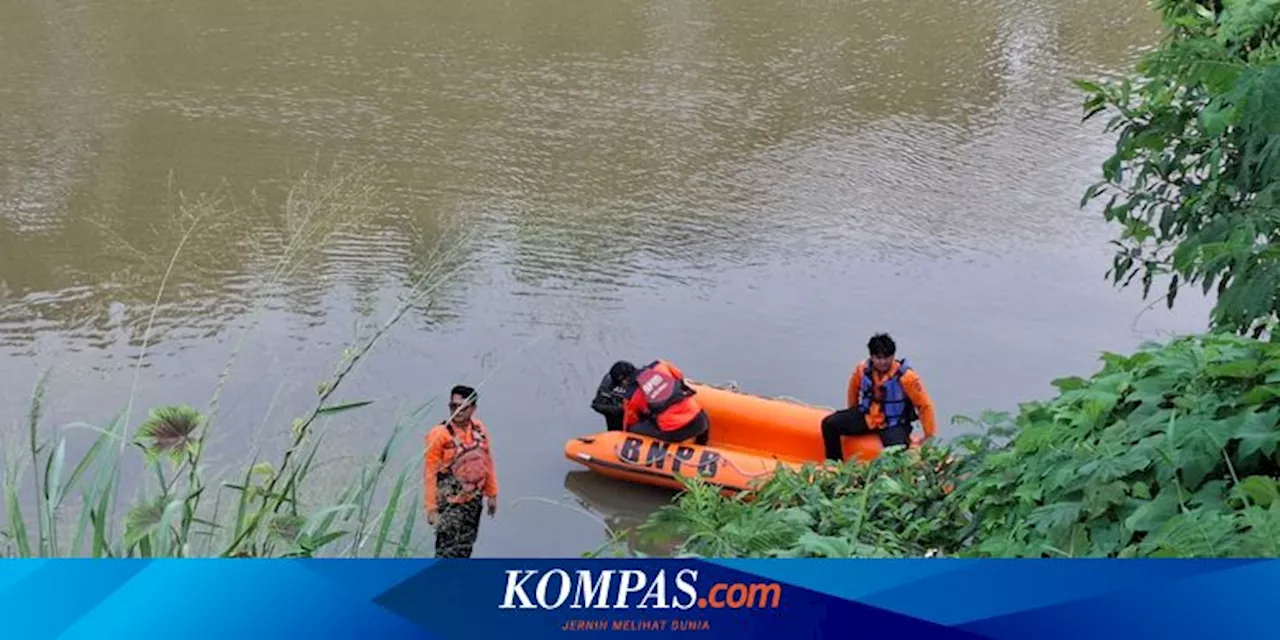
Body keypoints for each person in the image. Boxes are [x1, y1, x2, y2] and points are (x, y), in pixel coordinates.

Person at [820, 333, 937, 461]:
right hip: (868, 416)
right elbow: (853, 391)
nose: (883, 362)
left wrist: (928, 435)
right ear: (872, 357)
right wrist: (853, 412)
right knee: (829, 424)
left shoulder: (907, 378)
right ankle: (834, 464)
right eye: (878, 358)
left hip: (894, 424)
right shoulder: (862, 370)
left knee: (897, 455)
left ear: (893, 356)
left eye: (887, 357)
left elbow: (924, 405)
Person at [424, 385, 498, 558]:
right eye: (453, 406)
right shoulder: (439, 435)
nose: (457, 411)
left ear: (473, 409)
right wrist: (432, 509)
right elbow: (429, 474)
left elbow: (487, 461)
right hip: (449, 505)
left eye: (462, 408)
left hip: (473, 502)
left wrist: (492, 494)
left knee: (466, 546)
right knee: (446, 552)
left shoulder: (479, 430)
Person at [617, 359, 711, 445]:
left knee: (634, 429)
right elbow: (679, 376)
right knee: (692, 408)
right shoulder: (660, 365)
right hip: (701, 422)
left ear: (624, 381)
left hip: (676, 432)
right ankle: (702, 446)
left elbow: (629, 423)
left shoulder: (631, 395)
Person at [590, 361, 633, 432]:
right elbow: (597, 404)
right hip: (616, 428)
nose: (625, 382)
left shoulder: (642, 380)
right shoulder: (610, 380)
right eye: (623, 381)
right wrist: (621, 409)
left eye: (627, 380)